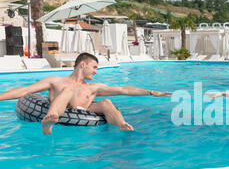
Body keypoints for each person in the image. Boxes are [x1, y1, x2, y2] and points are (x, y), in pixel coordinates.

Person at [0, 53, 171, 134]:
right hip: (59, 111)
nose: (96, 72)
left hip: (84, 114)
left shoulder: (93, 88)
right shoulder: (56, 81)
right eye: (94, 67)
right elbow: (26, 90)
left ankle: (122, 126)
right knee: (67, 91)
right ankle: (49, 122)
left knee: (107, 103)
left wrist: (150, 92)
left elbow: (123, 89)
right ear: (82, 64)